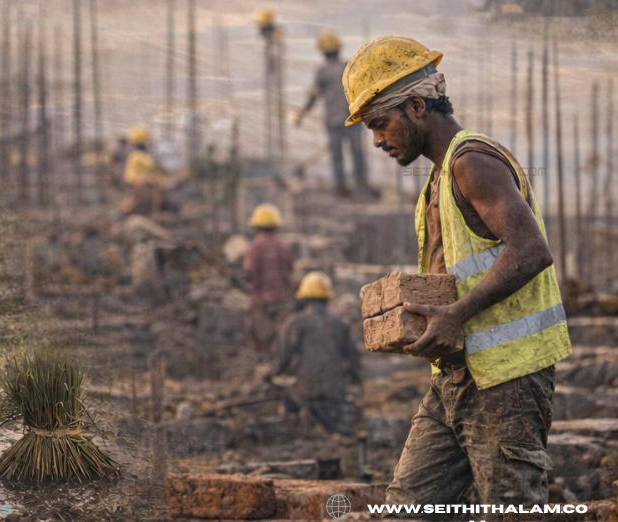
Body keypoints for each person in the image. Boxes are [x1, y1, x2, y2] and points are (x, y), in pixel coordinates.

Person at [345, 35, 570, 512]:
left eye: (381, 125)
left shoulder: (471, 162)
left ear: (418, 106)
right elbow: (460, 273)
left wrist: (455, 315)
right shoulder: (438, 176)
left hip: (506, 381)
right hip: (456, 375)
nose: (378, 141)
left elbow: (531, 250)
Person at [269, 271, 361, 436]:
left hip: (305, 391)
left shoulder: (296, 322)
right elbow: (353, 360)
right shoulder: (341, 325)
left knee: (289, 413)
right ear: (328, 297)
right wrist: (356, 381)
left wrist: (273, 373)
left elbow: (285, 355)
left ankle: (301, 420)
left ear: (304, 297)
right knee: (341, 434)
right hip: (334, 393)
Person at [296, 31, 378, 199]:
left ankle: (341, 190)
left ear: (324, 53)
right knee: (357, 155)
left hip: (333, 121)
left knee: (337, 157)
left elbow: (313, 96)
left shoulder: (322, 72)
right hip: (352, 119)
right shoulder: (349, 67)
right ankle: (362, 188)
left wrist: (302, 114)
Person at [243, 203, 294, 353]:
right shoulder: (284, 246)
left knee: (262, 340)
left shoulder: (253, 247)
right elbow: (290, 270)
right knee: (283, 339)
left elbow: (248, 273)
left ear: (256, 226)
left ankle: (265, 366)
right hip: (284, 301)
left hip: (261, 302)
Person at [120, 126, 171, 218]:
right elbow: (155, 175)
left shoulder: (134, 156)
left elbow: (129, 176)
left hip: (135, 185)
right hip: (142, 187)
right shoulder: (145, 158)